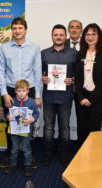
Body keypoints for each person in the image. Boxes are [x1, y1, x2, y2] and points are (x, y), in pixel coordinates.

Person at [0, 17, 42, 169]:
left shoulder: (34, 48)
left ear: (25, 29)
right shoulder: (5, 48)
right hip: (10, 90)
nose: (17, 31)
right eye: (14, 28)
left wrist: (37, 96)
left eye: (20, 28)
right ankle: (10, 154)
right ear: (12, 30)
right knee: (11, 122)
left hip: (29, 90)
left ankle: (30, 154)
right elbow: (0, 71)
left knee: (30, 123)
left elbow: (37, 72)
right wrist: (4, 93)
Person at [41, 24, 77, 167]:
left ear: (65, 36)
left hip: (66, 97)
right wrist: (43, 78)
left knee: (65, 127)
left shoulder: (74, 54)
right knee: (48, 127)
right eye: (55, 34)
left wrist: (72, 79)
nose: (58, 37)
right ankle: (48, 154)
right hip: (49, 95)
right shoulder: (44, 53)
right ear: (52, 36)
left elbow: (78, 74)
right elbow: (39, 72)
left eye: (61, 35)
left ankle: (64, 155)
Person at [74, 23, 102, 148]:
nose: (90, 37)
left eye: (93, 34)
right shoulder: (80, 54)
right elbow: (78, 78)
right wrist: (81, 98)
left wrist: (91, 99)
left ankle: (95, 160)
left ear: (99, 36)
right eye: (87, 34)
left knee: (94, 129)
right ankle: (80, 158)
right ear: (84, 37)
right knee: (82, 128)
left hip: (98, 97)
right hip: (81, 96)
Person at [4, 80, 39, 177]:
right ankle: (12, 164)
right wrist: (8, 117)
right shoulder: (13, 101)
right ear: (15, 91)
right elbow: (8, 113)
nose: (21, 93)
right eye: (19, 91)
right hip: (14, 131)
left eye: (23, 90)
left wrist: (31, 119)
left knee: (26, 148)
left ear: (28, 91)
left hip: (26, 130)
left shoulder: (32, 102)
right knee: (14, 148)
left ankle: (27, 165)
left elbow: (36, 113)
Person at [65, 20, 83, 143]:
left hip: (81, 88)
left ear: (81, 30)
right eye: (72, 27)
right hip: (63, 87)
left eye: (77, 27)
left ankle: (82, 144)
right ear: (68, 29)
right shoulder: (61, 42)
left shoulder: (88, 44)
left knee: (82, 118)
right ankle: (62, 146)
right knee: (63, 119)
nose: (74, 29)